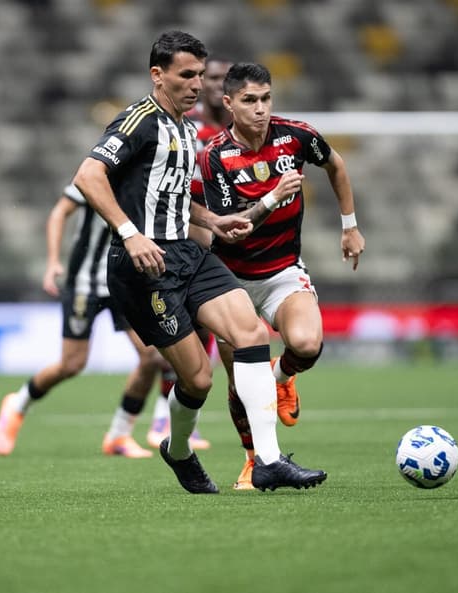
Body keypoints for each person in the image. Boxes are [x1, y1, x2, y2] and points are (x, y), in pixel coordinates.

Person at [73, 30, 326, 493]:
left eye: (200, 75)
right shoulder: (138, 122)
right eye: (187, 75)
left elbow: (170, 196)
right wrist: (130, 235)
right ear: (158, 75)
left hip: (188, 252)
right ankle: (179, 449)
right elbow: (89, 176)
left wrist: (215, 218)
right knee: (198, 380)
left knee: (250, 334)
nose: (197, 85)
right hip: (144, 268)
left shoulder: (187, 129)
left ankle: (267, 461)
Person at [199, 62, 366, 489]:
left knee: (307, 344)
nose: (260, 109)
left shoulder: (296, 136)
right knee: (238, 383)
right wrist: (273, 198)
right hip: (229, 280)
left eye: (266, 98)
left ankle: (281, 377)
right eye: (250, 101)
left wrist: (349, 226)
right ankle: (254, 461)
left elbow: (337, 166)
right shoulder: (215, 157)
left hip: (282, 272)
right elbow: (232, 230)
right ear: (229, 103)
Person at [0, 183, 199, 458]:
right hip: (84, 284)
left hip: (124, 280)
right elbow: (59, 213)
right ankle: (17, 404)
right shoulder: (98, 174)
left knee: (151, 356)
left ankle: (118, 435)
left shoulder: (148, 179)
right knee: (72, 364)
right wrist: (53, 261)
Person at [143, 54, 233, 450]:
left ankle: (174, 421)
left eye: (221, 79)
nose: (214, 85)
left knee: (215, 338)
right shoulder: (186, 124)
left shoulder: (239, 131)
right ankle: (166, 420)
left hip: (224, 237)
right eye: (207, 77)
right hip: (187, 240)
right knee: (185, 338)